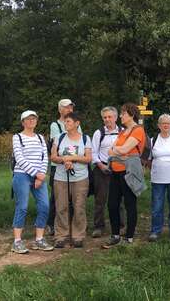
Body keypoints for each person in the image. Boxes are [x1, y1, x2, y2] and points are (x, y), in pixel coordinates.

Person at [103, 103, 147, 248]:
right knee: (112, 204)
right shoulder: (123, 132)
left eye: (123, 113)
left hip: (129, 172)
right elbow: (114, 150)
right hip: (115, 172)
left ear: (131, 115)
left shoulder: (138, 130)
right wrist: (118, 150)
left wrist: (117, 150)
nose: (120, 116)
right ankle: (115, 235)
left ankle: (129, 236)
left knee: (130, 204)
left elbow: (124, 149)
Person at [10, 110, 53, 253]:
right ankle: (17, 241)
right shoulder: (17, 137)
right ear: (23, 122)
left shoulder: (40, 138)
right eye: (28, 119)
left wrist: (41, 174)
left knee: (45, 206)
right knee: (22, 206)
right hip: (22, 175)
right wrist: (37, 175)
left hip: (39, 176)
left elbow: (44, 157)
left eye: (33, 119)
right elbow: (20, 159)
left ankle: (39, 239)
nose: (31, 121)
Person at [50, 111, 92, 248]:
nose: (65, 124)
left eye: (68, 121)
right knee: (61, 206)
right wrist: (63, 160)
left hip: (80, 178)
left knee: (79, 206)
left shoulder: (85, 139)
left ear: (76, 123)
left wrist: (72, 158)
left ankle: (78, 236)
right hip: (61, 178)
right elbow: (53, 156)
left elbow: (88, 159)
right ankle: (61, 236)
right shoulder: (59, 137)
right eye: (65, 121)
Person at [46, 98, 81, 236]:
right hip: (58, 165)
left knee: (72, 196)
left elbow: (79, 139)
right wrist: (67, 158)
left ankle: (70, 224)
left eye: (71, 107)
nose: (69, 110)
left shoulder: (77, 124)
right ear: (60, 109)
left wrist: (72, 158)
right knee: (57, 196)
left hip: (74, 164)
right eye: (67, 107)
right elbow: (59, 142)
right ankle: (51, 223)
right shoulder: (55, 125)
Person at [90, 106, 123, 238]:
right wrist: (100, 165)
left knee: (119, 199)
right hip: (102, 168)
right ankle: (98, 226)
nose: (107, 119)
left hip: (119, 169)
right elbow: (93, 152)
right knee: (100, 199)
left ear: (115, 117)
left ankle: (120, 225)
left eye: (110, 117)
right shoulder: (99, 133)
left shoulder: (123, 131)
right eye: (105, 117)